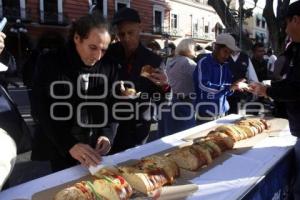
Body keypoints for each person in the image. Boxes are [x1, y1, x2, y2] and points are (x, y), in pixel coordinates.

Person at [32, 13, 118, 171]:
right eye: (93, 47)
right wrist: (69, 145)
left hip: (95, 146)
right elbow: (40, 109)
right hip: (61, 147)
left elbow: (113, 104)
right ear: (77, 38)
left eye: (104, 50)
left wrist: (107, 134)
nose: (98, 56)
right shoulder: (50, 61)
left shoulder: (109, 65)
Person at [249, 1, 300, 199]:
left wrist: (268, 90)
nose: (286, 29)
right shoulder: (294, 48)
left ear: (296, 20)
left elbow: (296, 87)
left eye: (287, 23)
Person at [106, 8, 168, 153]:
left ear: (140, 29)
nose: (126, 38)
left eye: (130, 33)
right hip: (109, 126)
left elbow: (162, 100)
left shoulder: (154, 60)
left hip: (138, 129)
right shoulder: (108, 54)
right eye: (122, 34)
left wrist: (164, 86)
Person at [194, 33, 248, 124]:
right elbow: (203, 86)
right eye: (225, 51)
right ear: (216, 48)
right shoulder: (204, 62)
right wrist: (230, 87)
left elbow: (226, 89)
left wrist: (235, 86)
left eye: (229, 53)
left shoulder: (226, 65)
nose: (227, 56)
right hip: (206, 113)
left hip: (223, 112)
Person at [159, 38, 197, 136]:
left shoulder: (171, 61)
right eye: (194, 48)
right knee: (185, 136)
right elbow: (200, 82)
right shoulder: (189, 63)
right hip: (184, 103)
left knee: (167, 134)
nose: (195, 50)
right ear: (190, 48)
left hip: (170, 100)